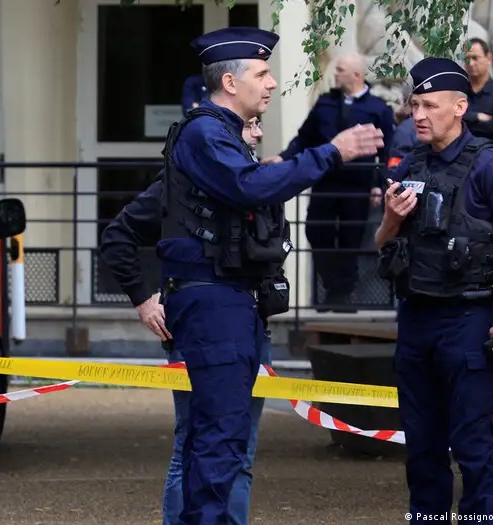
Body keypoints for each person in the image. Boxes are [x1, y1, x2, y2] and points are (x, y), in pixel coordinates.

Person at [159, 27, 383, 524]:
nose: (273, 83)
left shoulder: (222, 135)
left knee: (221, 442)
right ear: (231, 83)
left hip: (234, 303)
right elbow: (247, 187)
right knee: (218, 444)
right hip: (214, 304)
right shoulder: (205, 133)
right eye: (261, 73)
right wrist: (332, 152)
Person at [374, 57, 493, 525]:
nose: (418, 114)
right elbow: (381, 243)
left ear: (459, 107)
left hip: (466, 323)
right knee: (422, 449)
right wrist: (391, 217)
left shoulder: (487, 164)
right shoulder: (413, 162)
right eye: (414, 104)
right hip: (415, 320)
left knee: (472, 446)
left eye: (429, 105)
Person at [98, 116, 270, 525]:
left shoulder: (252, 185)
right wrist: (143, 299)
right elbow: (116, 237)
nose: (259, 133)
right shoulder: (179, 186)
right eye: (251, 125)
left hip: (251, 325)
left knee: (240, 451)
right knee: (191, 444)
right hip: (199, 330)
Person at [265, 53, 394, 312]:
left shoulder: (378, 108)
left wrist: (380, 184)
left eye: (341, 70)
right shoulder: (325, 103)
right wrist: (282, 157)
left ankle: (342, 295)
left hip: (357, 186)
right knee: (316, 231)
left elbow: (387, 151)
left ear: (357, 75)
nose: (336, 74)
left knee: (351, 238)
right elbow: (304, 138)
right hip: (325, 180)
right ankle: (333, 287)